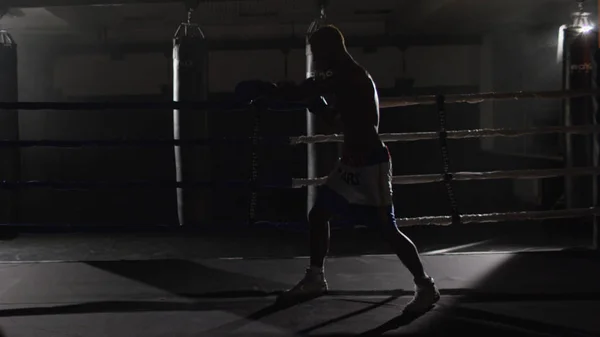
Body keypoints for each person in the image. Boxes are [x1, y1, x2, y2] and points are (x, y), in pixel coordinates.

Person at [245, 25, 440, 313]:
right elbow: (340, 121)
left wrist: (268, 90)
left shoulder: (349, 74)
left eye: (317, 53)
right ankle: (315, 278)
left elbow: (300, 93)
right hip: (351, 162)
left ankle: (425, 285)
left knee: (387, 229)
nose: (316, 60)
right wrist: (318, 107)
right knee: (319, 214)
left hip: (371, 163)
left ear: (329, 49)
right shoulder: (344, 77)